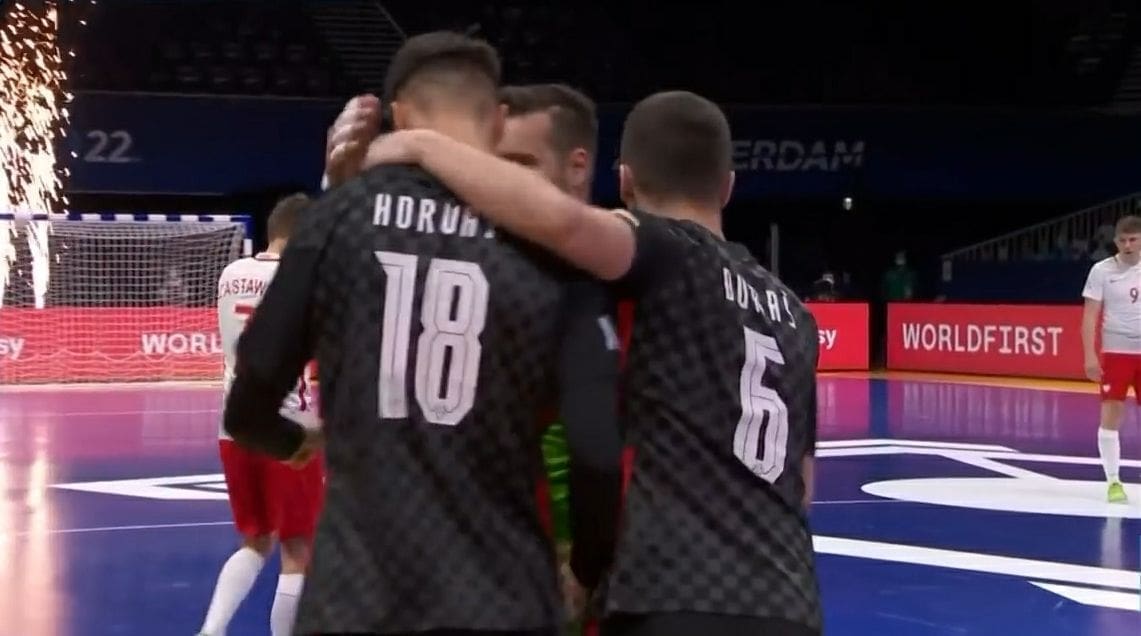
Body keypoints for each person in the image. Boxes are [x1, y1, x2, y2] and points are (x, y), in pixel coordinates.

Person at [355, 90, 823, 636]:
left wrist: (422, 146)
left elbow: (564, 226)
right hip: (790, 602)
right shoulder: (794, 313)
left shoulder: (668, 252)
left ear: (624, 181)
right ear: (728, 186)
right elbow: (802, 484)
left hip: (672, 592)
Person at [223, 31, 624, 636]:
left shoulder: (339, 217)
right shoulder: (547, 237)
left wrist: (293, 442)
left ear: (401, 117)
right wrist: (588, 569)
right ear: (497, 120)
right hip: (502, 598)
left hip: (357, 598)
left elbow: (249, 404)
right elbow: (597, 451)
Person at [200, 193, 323, 636]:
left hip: (234, 426)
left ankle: (211, 631)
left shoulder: (231, 273)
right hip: (287, 433)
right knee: (297, 549)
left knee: (256, 538)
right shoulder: (300, 282)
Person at [1081, 214, 1140, 504]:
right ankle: (1113, 481)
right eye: (1122, 240)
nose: (1127, 245)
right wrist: (1090, 356)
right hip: (1116, 353)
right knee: (1111, 413)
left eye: (1133, 239)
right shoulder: (1101, 270)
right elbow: (1089, 316)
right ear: (1115, 241)